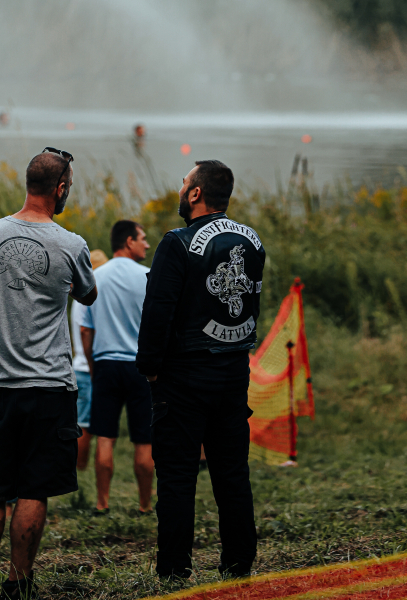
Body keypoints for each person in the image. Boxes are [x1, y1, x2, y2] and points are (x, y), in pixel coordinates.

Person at [0, 148, 98, 600]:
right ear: (61, 188)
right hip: (49, 387)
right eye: (69, 186)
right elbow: (89, 296)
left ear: (28, 183)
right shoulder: (72, 244)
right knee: (34, 489)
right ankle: (18, 585)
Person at [136, 160, 265, 582]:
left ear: (195, 193)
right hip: (234, 373)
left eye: (184, 183)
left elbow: (158, 311)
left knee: (177, 477)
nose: (181, 189)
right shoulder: (252, 241)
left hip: (183, 377)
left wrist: (149, 368)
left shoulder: (176, 243)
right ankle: (239, 563)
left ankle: (175, 571)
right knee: (232, 473)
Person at [79, 220, 153, 515]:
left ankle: (102, 503)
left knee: (105, 436)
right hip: (140, 366)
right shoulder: (149, 276)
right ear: (128, 241)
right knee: (144, 440)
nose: (147, 244)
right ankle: (145, 505)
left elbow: (85, 330)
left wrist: (92, 364)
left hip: (106, 365)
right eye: (143, 238)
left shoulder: (96, 277)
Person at [71, 249, 108, 470]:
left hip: (82, 366)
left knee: (85, 423)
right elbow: (86, 331)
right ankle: (79, 469)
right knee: (84, 424)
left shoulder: (80, 296)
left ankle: (80, 468)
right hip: (87, 369)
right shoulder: (88, 298)